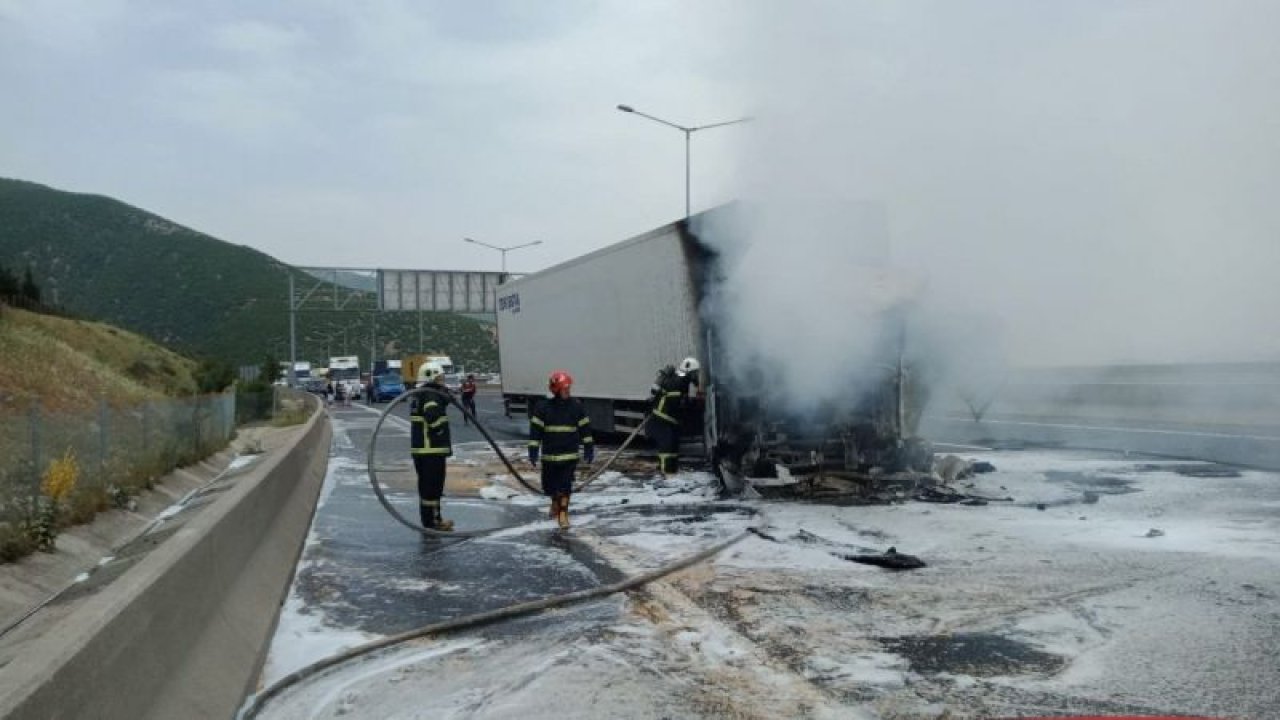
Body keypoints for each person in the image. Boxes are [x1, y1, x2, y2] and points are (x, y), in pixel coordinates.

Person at [528, 370, 593, 530]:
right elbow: (535, 431)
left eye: (568, 388)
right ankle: (555, 503)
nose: (568, 391)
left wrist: (588, 448)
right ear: (556, 390)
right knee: (549, 486)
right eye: (564, 389)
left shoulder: (576, 407)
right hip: (549, 456)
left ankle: (563, 514)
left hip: (569, 455)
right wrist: (533, 450)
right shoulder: (543, 408)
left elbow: (585, 429)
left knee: (565, 486)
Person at [411, 362, 454, 530]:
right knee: (432, 489)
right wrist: (439, 432)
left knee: (427, 488)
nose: (443, 381)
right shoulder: (430, 395)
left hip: (422, 449)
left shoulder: (421, 394)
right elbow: (432, 414)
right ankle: (433, 522)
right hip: (431, 449)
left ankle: (431, 519)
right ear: (431, 377)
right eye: (440, 378)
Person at [649, 357, 700, 478]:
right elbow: (676, 402)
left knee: (673, 446)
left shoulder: (682, 381)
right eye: (695, 373)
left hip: (669, 418)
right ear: (689, 372)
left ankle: (672, 471)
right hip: (663, 416)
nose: (696, 376)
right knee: (667, 447)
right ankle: (667, 473)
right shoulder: (678, 382)